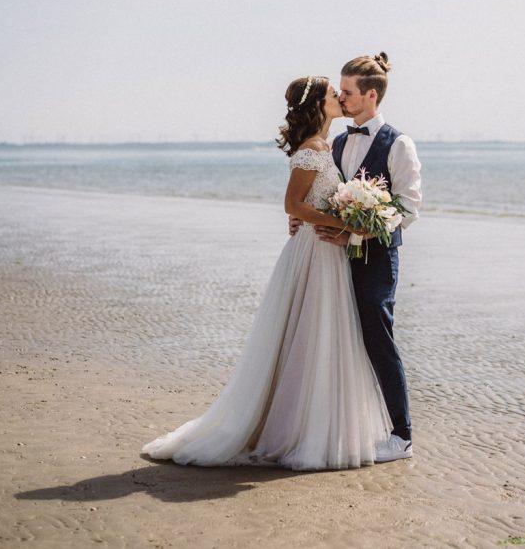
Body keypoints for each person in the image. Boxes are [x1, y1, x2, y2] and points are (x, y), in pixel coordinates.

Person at [142, 76, 391, 470]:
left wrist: (344, 219)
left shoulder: (326, 146)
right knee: (309, 332)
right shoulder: (312, 150)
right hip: (315, 251)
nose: (340, 98)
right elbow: (292, 204)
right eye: (333, 94)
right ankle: (295, 429)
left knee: (319, 335)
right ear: (318, 105)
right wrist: (343, 223)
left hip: (325, 250)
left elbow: (306, 205)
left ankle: (312, 422)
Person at [297, 52, 422, 463]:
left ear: (370, 95)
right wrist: (302, 218)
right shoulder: (336, 141)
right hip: (331, 260)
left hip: (376, 260)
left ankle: (401, 437)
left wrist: (355, 231)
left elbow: (407, 210)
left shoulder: (398, 143)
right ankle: (344, 427)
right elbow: (326, 194)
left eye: (347, 92)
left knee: (377, 340)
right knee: (338, 339)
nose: (341, 97)